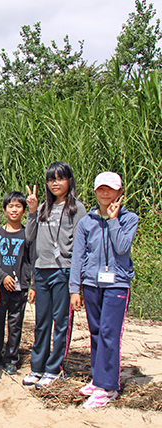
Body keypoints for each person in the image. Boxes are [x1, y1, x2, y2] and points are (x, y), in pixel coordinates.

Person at [70, 172, 138, 409]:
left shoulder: (129, 219)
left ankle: (108, 387)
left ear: (120, 192)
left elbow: (121, 247)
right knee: (97, 332)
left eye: (111, 189)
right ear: (96, 191)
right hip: (91, 284)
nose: (106, 193)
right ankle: (98, 379)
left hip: (117, 284)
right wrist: (74, 288)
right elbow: (78, 257)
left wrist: (112, 219)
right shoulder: (86, 222)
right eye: (101, 189)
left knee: (110, 333)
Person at [23, 161, 87, 389]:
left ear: (69, 180)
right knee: (42, 322)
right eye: (51, 179)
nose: (55, 183)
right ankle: (37, 367)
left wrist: (76, 283)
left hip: (64, 270)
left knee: (61, 322)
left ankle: (54, 368)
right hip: (42, 270)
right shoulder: (42, 208)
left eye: (60, 178)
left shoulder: (78, 208)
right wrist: (31, 211)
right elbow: (29, 236)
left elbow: (81, 245)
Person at [0, 192, 34, 376]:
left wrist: (30, 284)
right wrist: (3, 276)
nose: (14, 210)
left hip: (20, 287)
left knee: (15, 323)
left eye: (18, 206)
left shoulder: (27, 234)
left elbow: (31, 260)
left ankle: (12, 358)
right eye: (10, 206)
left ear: (23, 210)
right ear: (4, 209)